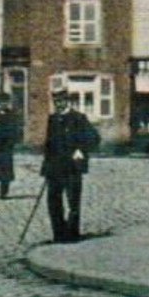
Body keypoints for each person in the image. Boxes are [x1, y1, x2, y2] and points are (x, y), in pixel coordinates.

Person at [42, 89, 100, 243]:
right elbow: (49, 145)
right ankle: (58, 234)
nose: (58, 104)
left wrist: (81, 150)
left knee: (73, 201)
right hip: (55, 168)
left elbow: (94, 137)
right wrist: (46, 168)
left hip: (72, 168)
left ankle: (72, 234)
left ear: (67, 101)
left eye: (61, 101)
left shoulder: (78, 118)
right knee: (53, 201)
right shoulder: (53, 119)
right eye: (56, 102)